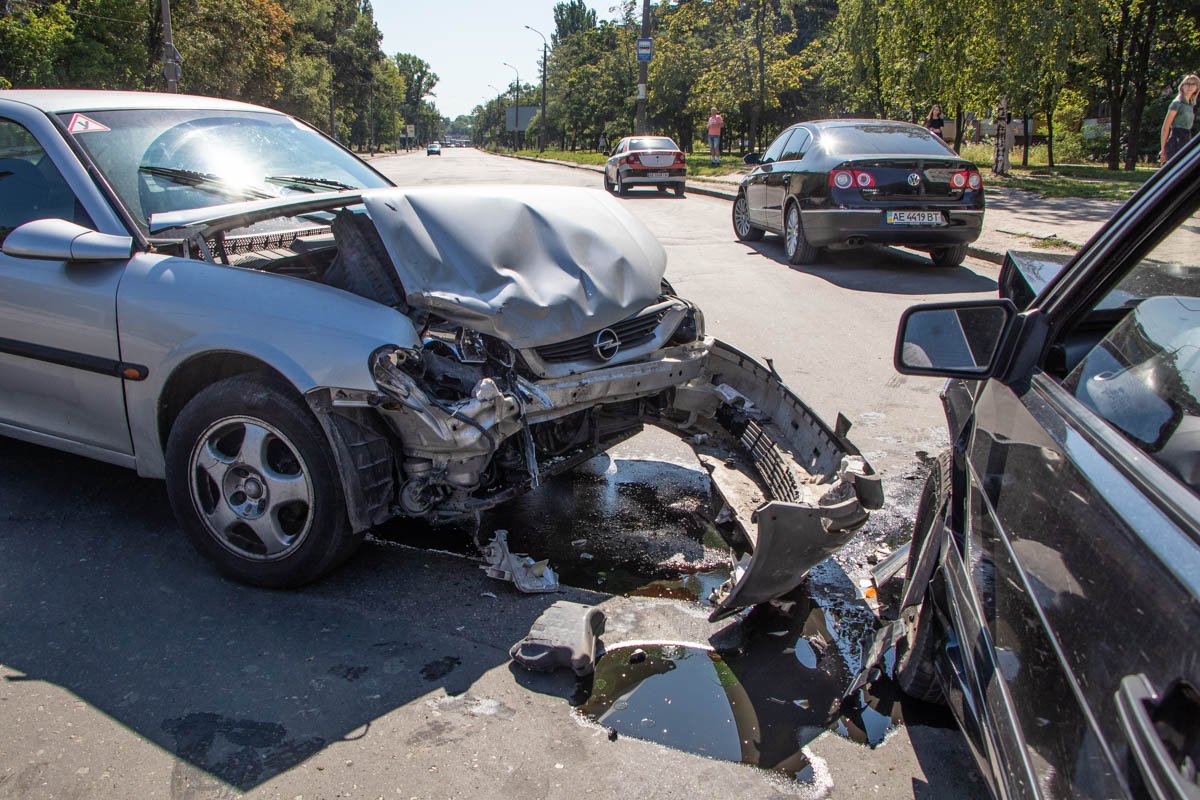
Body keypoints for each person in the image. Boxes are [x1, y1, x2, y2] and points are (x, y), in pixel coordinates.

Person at [1160, 74, 1199, 164]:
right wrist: (1163, 150)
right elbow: (1166, 127)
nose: (1190, 86)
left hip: (1186, 139)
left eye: (1193, 84)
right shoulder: (1177, 103)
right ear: (1182, 86)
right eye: (1187, 83)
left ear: (1197, 87)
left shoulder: (1190, 104)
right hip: (1176, 140)